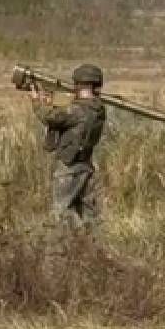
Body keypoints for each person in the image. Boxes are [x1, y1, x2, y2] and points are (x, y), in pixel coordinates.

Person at [30, 64, 110, 229]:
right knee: (90, 214)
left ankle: (69, 247)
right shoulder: (98, 109)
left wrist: (37, 102)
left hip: (69, 167)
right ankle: (91, 248)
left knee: (62, 211)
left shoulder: (77, 110)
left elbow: (48, 117)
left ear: (80, 84)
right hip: (86, 166)